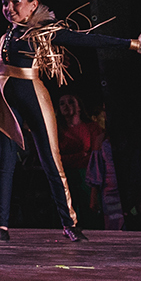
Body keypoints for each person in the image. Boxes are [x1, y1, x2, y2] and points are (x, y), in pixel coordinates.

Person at [0, 0, 141, 242]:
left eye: (16, 2)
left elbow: (85, 39)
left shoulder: (43, 32)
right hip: (5, 102)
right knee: (4, 164)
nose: (9, 8)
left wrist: (132, 44)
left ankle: (70, 224)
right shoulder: (8, 35)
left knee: (51, 162)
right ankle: (1, 227)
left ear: (33, 5)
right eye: (5, 3)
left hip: (33, 99)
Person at [56, 93, 100, 224]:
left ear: (79, 106)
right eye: (62, 103)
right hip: (65, 176)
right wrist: (80, 156)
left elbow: (95, 156)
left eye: (70, 102)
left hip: (87, 176)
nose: (66, 106)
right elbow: (56, 158)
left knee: (90, 215)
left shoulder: (92, 127)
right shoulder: (56, 131)